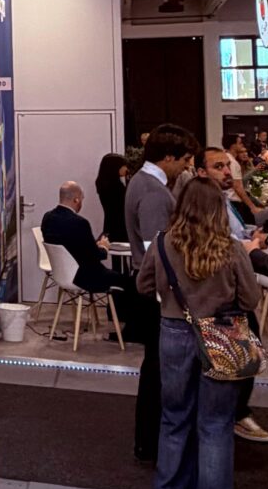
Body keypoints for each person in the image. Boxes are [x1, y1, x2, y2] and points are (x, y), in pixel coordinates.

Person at [137, 179, 260, 489]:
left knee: (174, 417)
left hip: (174, 332)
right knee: (216, 424)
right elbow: (251, 299)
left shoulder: (163, 243)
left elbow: (143, 286)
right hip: (222, 334)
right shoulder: (231, 248)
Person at [124, 122, 199, 464]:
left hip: (153, 289)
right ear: (168, 156)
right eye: (184, 159)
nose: (187, 166)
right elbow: (160, 251)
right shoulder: (153, 191)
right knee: (158, 372)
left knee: (156, 370)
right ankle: (153, 445)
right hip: (157, 295)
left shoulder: (144, 182)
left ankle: (150, 442)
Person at [195, 148, 268, 447]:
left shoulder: (226, 204)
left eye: (228, 166)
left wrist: (251, 238)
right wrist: (247, 247)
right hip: (224, 299)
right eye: (219, 166)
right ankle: (232, 416)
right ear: (201, 172)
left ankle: (234, 413)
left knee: (247, 358)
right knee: (237, 363)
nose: (227, 171)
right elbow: (218, 245)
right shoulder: (205, 207)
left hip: (232, 293)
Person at [41, 182, 129, 312]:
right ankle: (126, 321)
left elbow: (72, 246)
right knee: (129, 281)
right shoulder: (80, 223)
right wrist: (104, 247)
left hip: (60, 274)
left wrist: (93, 246)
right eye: (81, 199)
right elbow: (94, 256)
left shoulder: (47, 218)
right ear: (76, 199)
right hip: (84, 276)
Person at [94, 154, 129, 243]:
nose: (126, 169)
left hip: (110, 225)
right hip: (121, 227)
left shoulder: (102, 185)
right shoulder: (116, 188)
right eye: (123, 166)